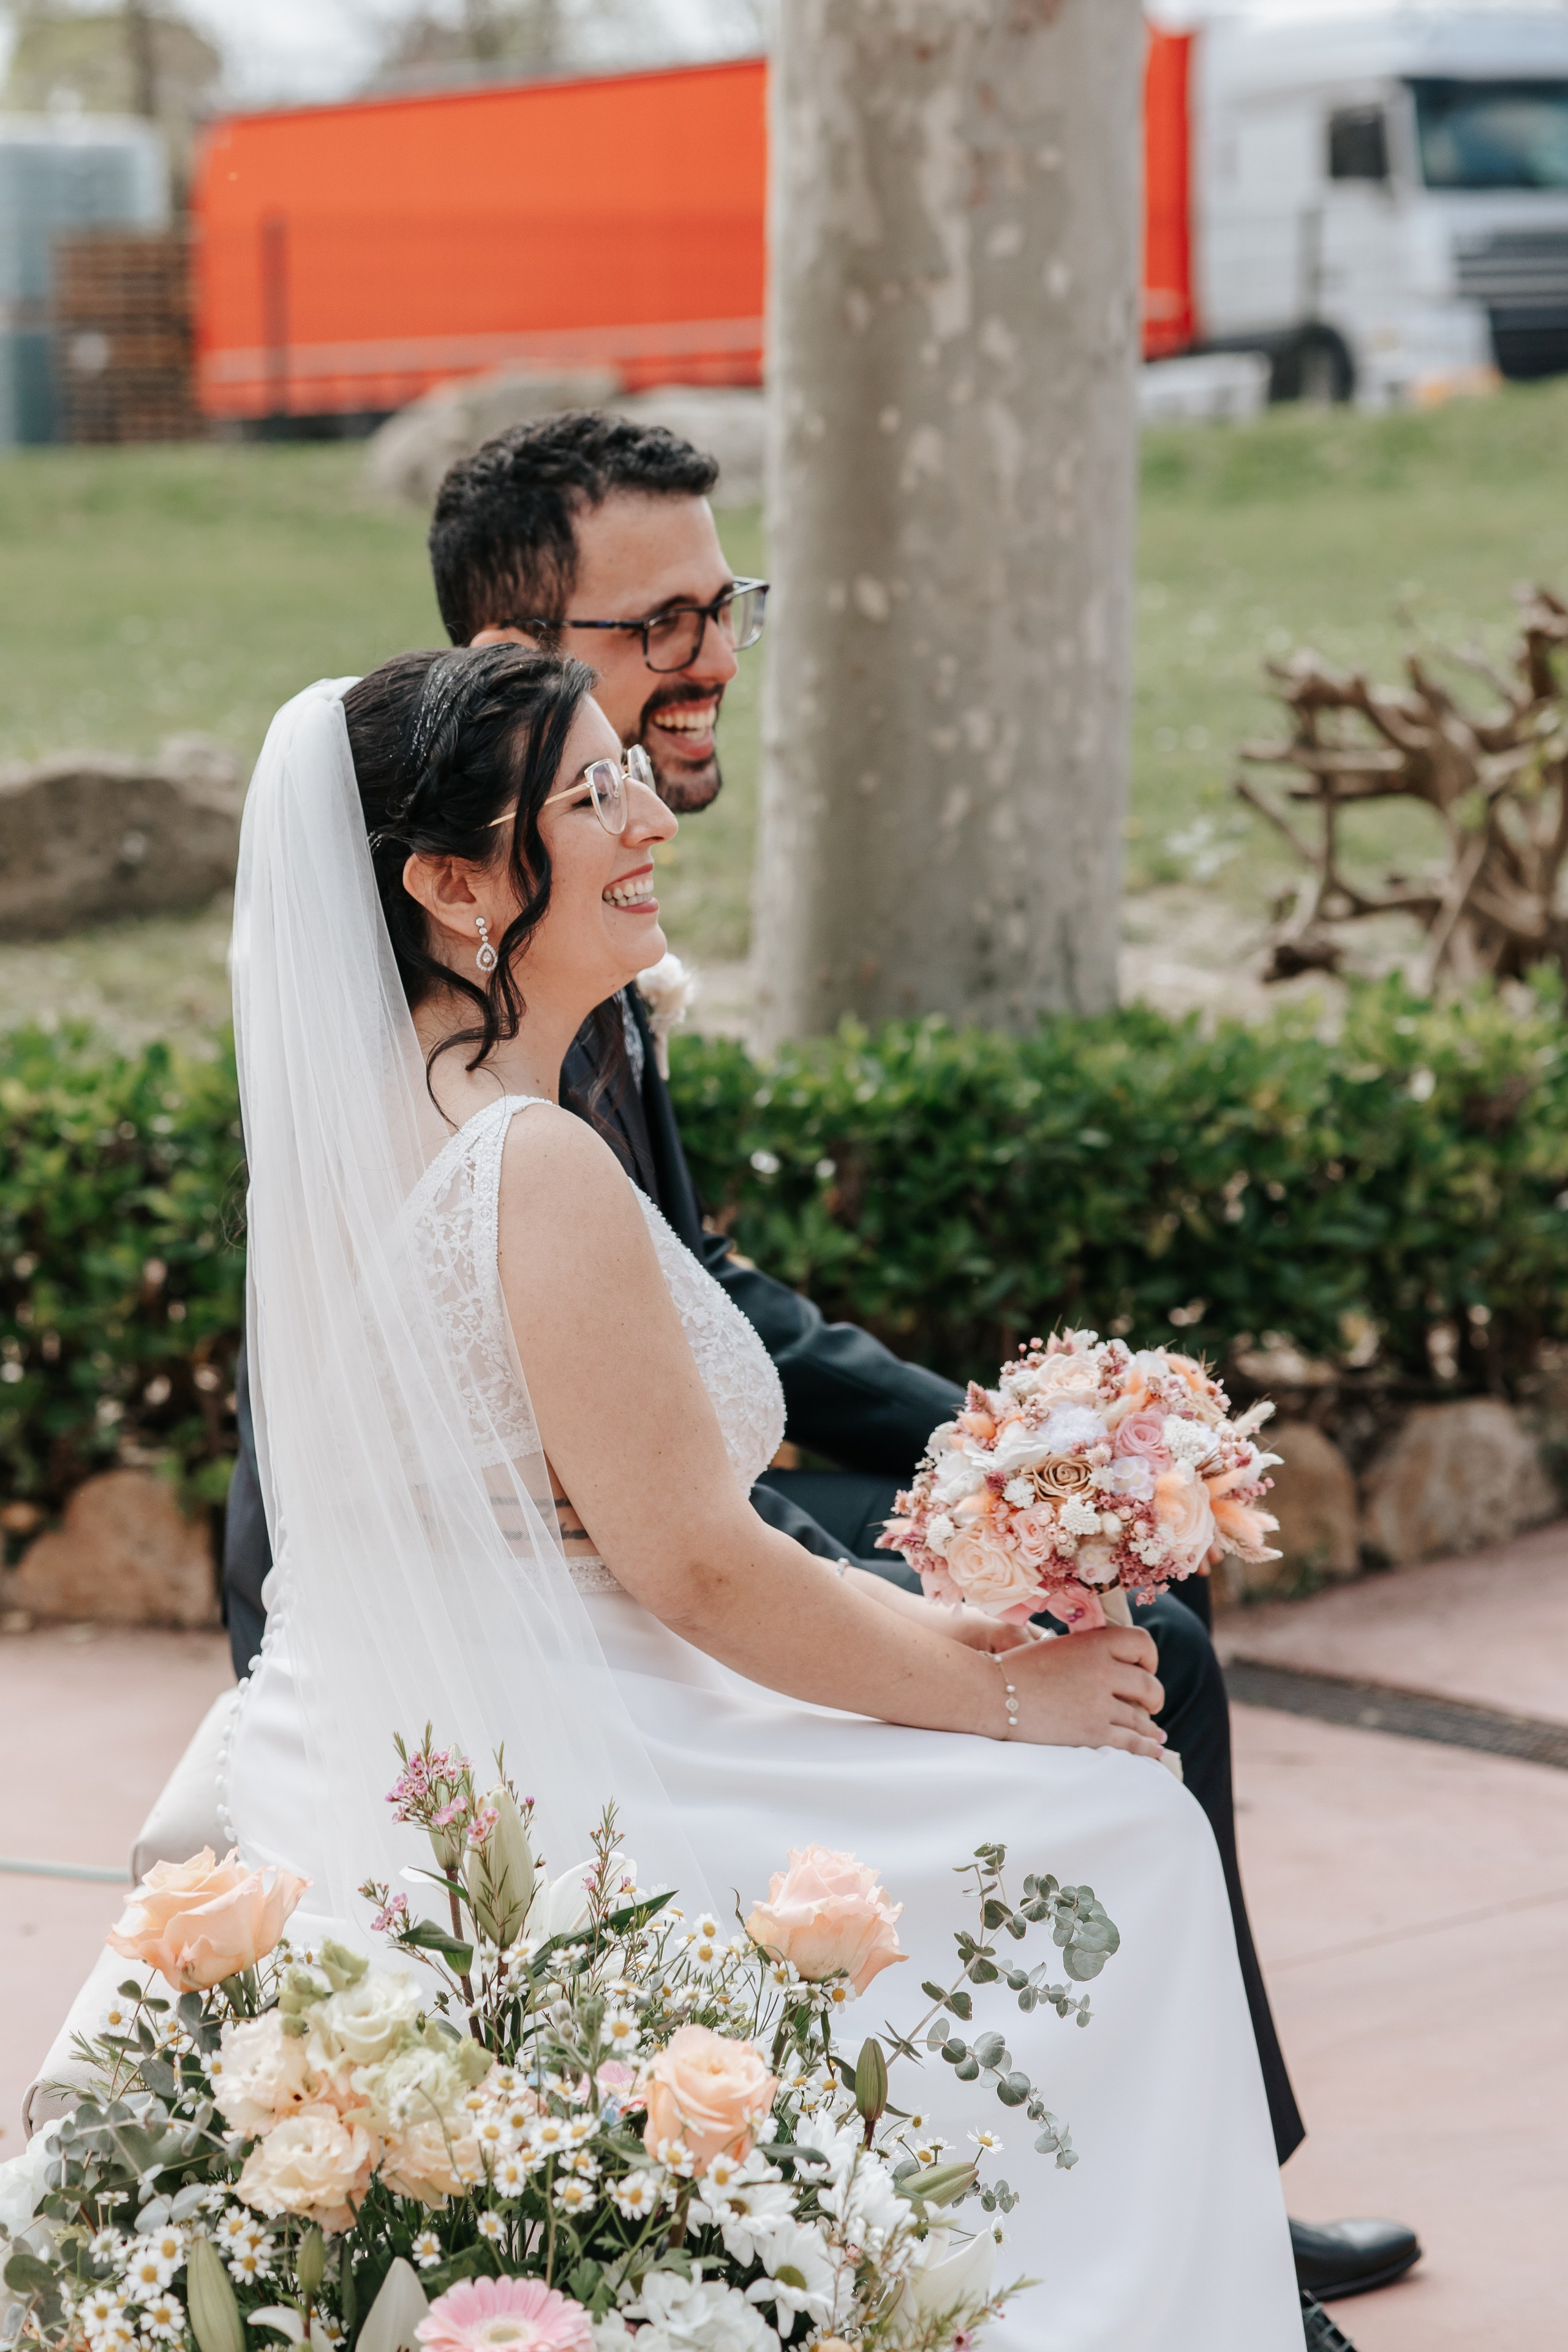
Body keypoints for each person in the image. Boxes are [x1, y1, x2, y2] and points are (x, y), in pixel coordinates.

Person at [222, 411, 1417, 2318]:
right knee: (1112, 1801)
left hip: (560, 1614)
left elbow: (671, 1380)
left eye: (724, 611)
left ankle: (1196, 2207)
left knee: (1111, 1698)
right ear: (459, 881)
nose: (653, 812)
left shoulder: (431, 1075)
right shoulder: (520, 1145)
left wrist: (1007, 1459)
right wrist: (990, 1685)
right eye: (608, 766)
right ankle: (1150, 2266)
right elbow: (691, 1557)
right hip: (580, 1675)